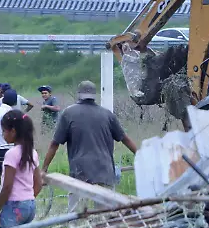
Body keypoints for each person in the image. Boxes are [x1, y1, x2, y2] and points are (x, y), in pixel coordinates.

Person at [42, 81, 139, 210]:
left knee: (76, 218)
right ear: (94, 95)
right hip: (105, 172)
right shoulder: (107, 114)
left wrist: (44, 169)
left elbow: (54, 144)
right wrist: (141, 156)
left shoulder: (69, 113)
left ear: (78, 95)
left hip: (80, 173)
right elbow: (125, 139)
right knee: (106, 218)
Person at [0, 110, 42, 228]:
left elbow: (7, 186)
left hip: (13, 205)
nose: (3, 134)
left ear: (13, 131)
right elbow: (39, 184)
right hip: (29, 206)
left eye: (4, 131)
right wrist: (27, 199)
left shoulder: (11, 154)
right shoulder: (32, 152)